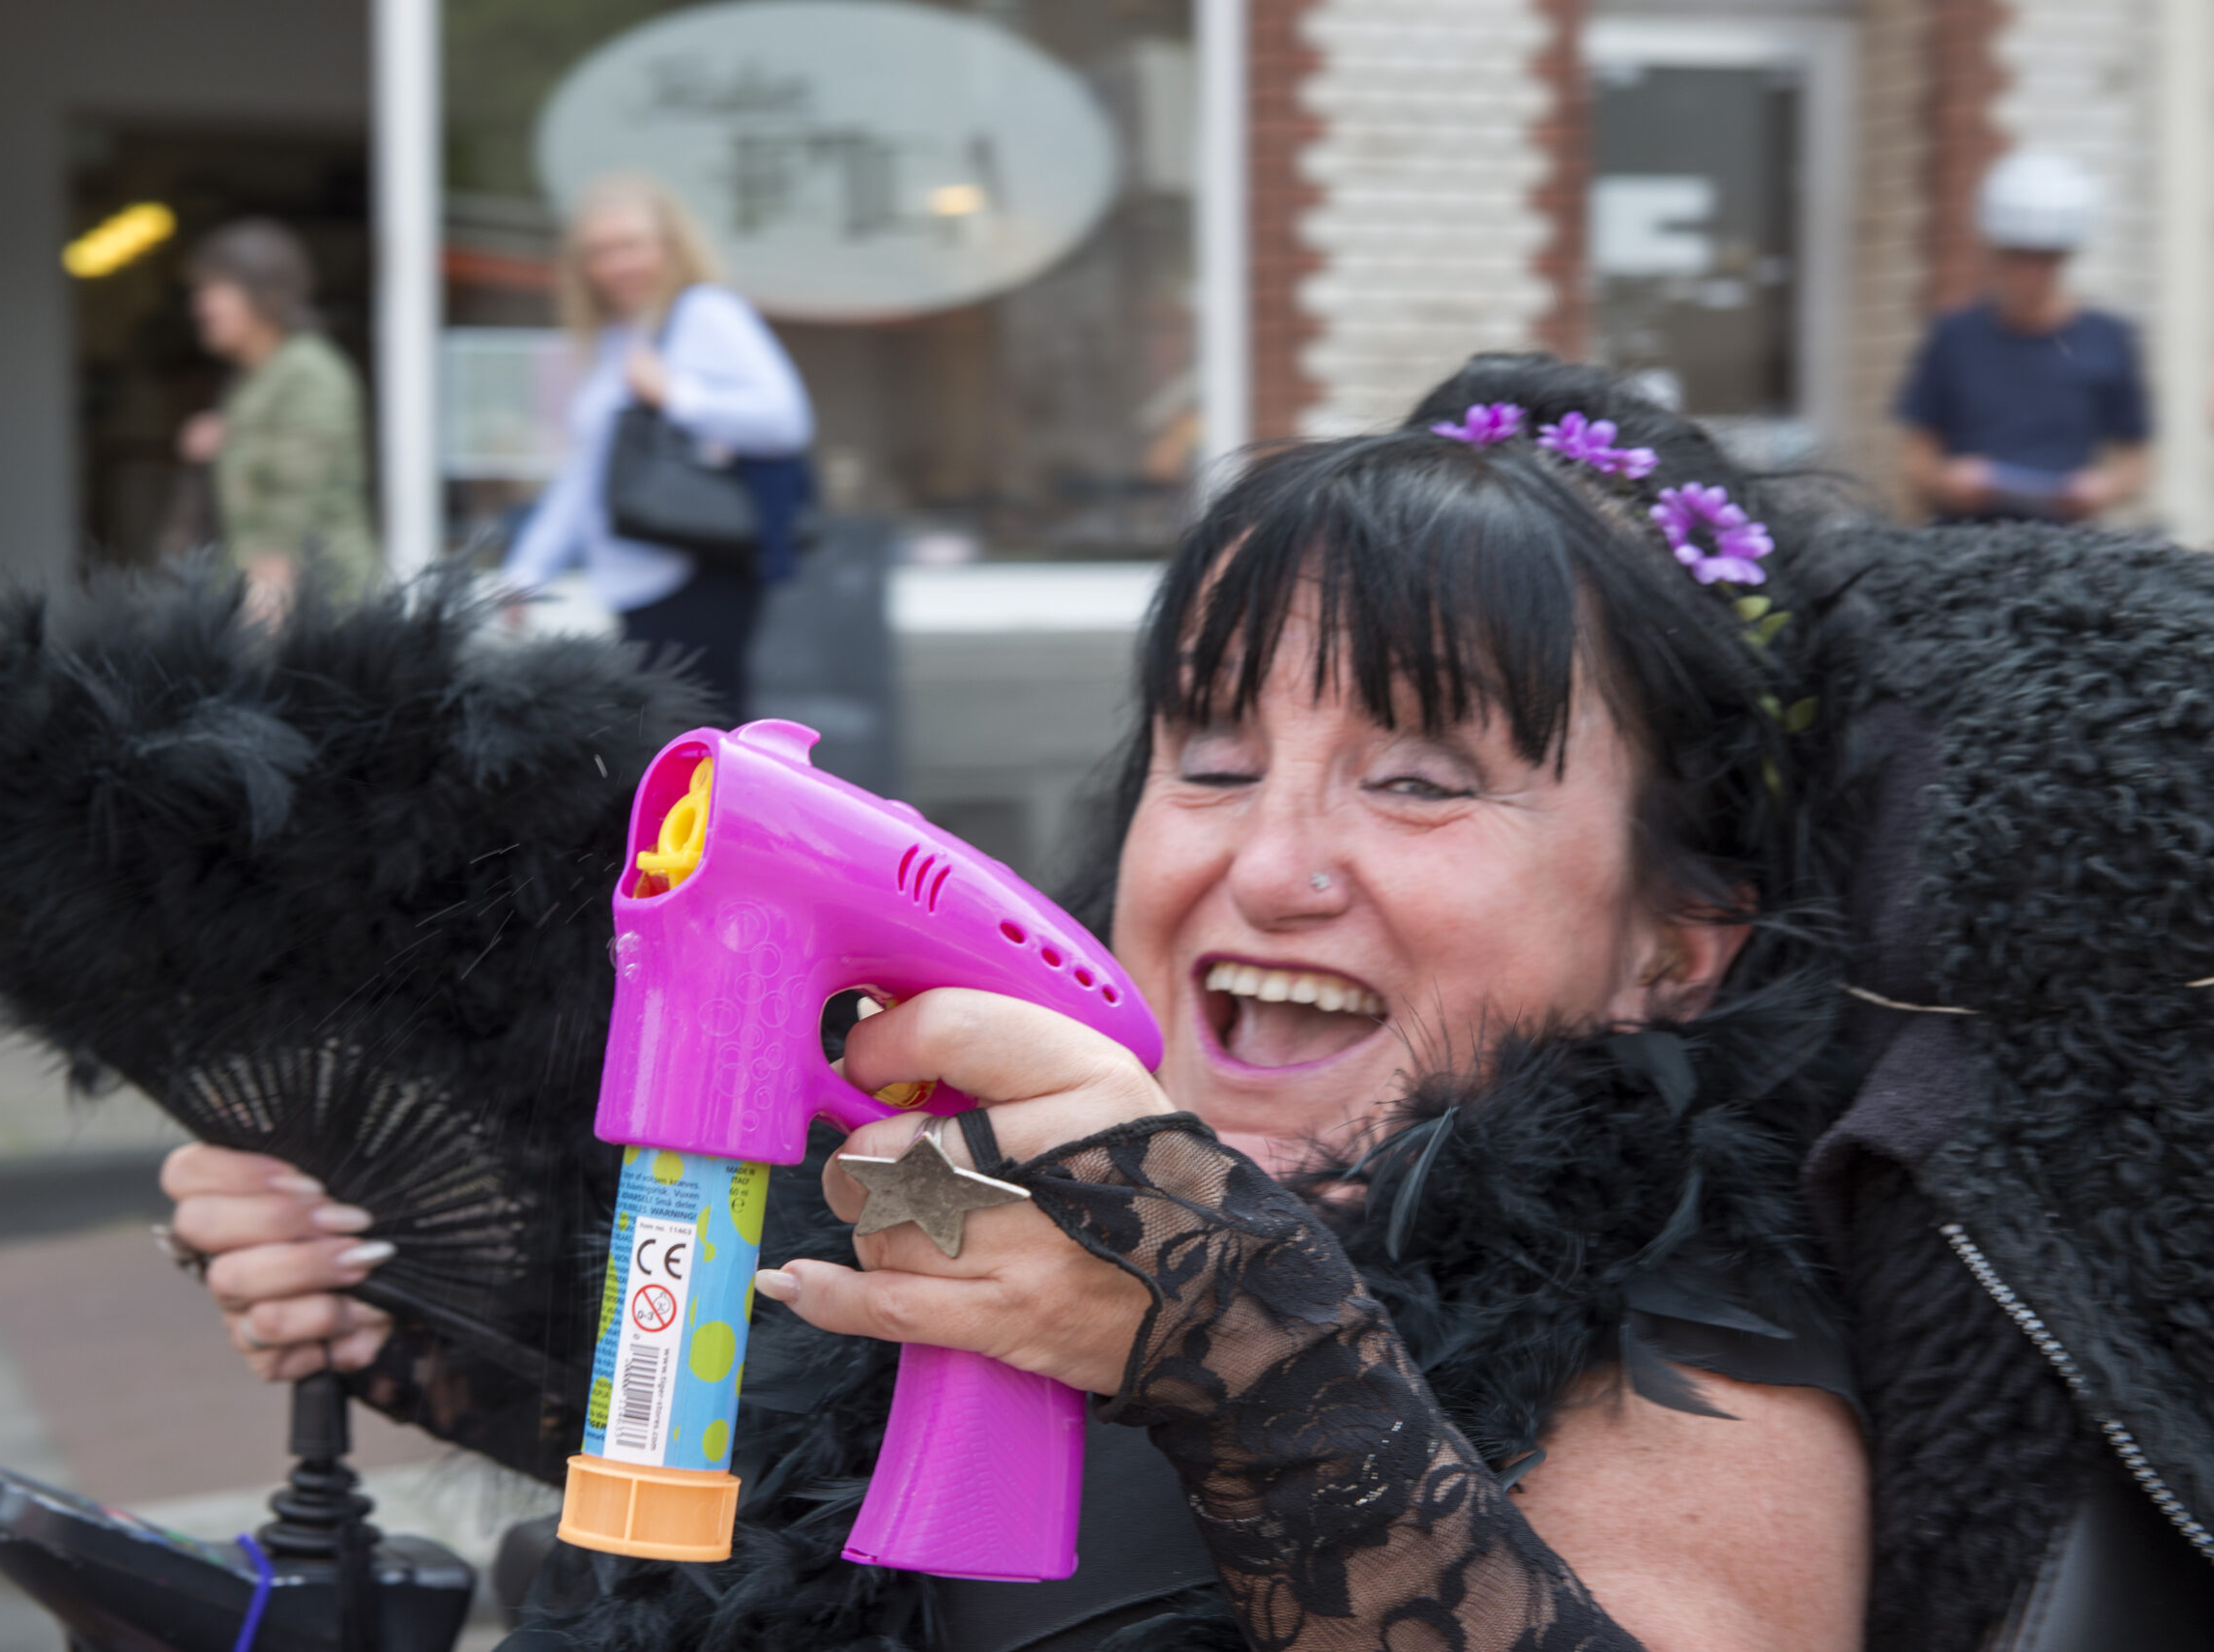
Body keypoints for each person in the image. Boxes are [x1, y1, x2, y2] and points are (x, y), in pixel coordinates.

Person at [123, 355, 2214, 1648]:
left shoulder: (1689, 1300)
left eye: (1418, 777)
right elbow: (787, 1475)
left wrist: (1228, 1343)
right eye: (1209, 756)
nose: (1265, 857)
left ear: (1674, 941)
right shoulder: (1003, 1171)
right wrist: (426, 1310)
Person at [498, 173, 813, 723]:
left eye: (631, 245)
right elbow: (588, 475)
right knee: (668, 751)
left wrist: (676, 395)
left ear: (670, 247)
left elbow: (786, 421)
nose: (618, 264)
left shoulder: (705, 314)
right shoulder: (619, 336)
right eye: (600, 252)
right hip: (634, 579)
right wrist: (527, 570)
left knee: (703, 747)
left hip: (696, 569)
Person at [1895, 150, 2151, 523]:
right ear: (1997, 252)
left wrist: (2103, 488)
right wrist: (1946, 481)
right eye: (2020, 255)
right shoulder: (1953, 337)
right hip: (1963, 546)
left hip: (2066, 552)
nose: (2032, 271)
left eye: (2046, 257)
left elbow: (2138, 462)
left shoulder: (2109, 339)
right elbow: (1914, 459)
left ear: (2066, 256)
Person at [178, 218, 378, 612]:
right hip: (264, 597)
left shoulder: (308, 370)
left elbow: (291, 507)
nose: (200, 306)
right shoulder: (252, 378)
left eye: (213, 289)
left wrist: (262, 608)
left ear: (263, 295)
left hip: (318, 609)